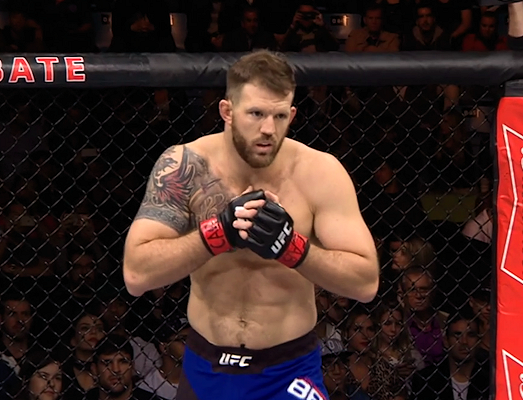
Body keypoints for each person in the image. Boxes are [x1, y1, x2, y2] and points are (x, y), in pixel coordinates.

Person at [123, 49, 379, 400]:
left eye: (279, 115)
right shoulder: (186, 165)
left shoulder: (320, 172)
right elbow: (136, 275)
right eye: (256, 113)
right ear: (227, 111)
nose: (268, 129)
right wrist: (218, 234)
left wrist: (291, 248)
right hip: (206, 367)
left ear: (292, 114)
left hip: (288, 371)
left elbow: (365, 283)